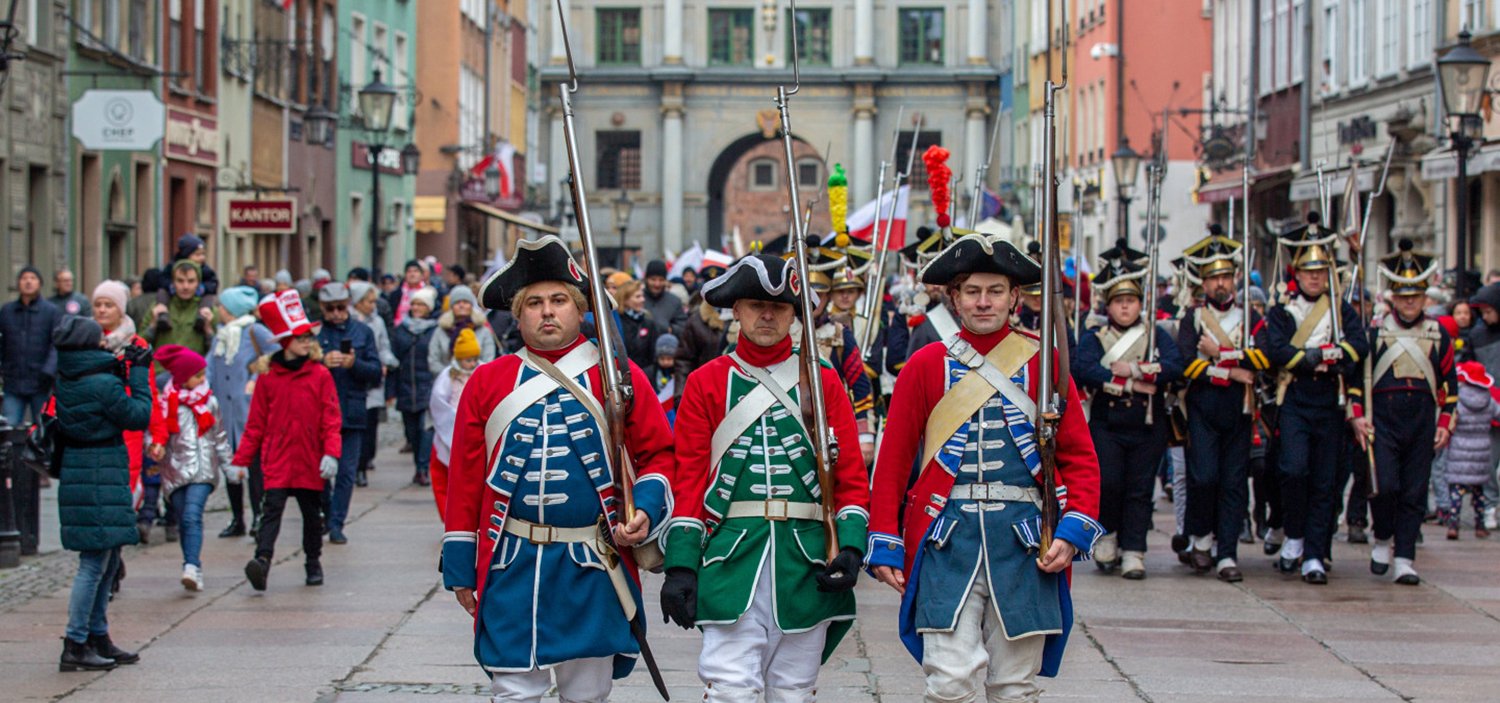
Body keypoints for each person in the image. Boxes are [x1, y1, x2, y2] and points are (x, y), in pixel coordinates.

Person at [867, 233, 1102, 702]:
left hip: (1025, 540)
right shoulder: (925, 365)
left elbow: (1080, 457)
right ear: (953, 298)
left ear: (1015, 297)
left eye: (995, 291)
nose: (983, 302)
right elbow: (893, 463)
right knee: (949, 681)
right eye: (972, 291)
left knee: (1016, 685)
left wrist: (1072, 531)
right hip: (945, 540)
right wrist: (886, 542)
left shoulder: (1045, 362)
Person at [441, 236, 674, 701]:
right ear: (519, 314)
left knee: (587, 693)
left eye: (559, 300)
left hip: (592, 564)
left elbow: (660, 455)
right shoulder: (489, 382)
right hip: (512, 561)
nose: (547, 312)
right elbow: (464, 480)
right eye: (534, 303)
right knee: (512, 690)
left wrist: (646, 507)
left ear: (580, 308)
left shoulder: (619, 377)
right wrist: (460, 565)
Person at [657, 252, 868, 703]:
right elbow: (690, 477)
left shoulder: (823, 380)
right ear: (736, 310)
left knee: (794, 691)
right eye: (755, 304)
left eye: (780, 307)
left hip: (807, 556)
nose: (768, 315)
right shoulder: (706, 382)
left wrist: (849, 545)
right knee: (730, 690)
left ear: (795, 314)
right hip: (731, 557)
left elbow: (847, 469)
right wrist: (680, 563)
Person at [1257, 213, 1368, 585]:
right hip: (1296, 400)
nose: (1315, 278)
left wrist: (1335, 354)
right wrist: (1317, 357)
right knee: (1292, 470)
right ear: (1297, 273)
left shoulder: (1341, 311)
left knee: (1325, 480)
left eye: (1320, 271)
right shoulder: (1283, 310)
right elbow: (1277, 351)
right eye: (1308, 271)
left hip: (1329, 401)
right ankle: (1293, 534)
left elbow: (1358, 347)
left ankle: (1315, 553)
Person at [1346, 241, 1456, 585]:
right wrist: (1359, 415)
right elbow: (1355, 383)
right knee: (1386, 485)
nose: (1410, 301)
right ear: (1393, 296)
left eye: (1416, 295)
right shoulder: (1375, 333)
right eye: (1403, 294)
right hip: (1384, 420)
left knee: (1414, 491)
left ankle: (1405, 557)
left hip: (1421, 420)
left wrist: (1444, 423)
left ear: (1425, 297)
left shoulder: (1439, 335)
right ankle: (1382, 538)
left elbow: (1449, 386)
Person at [1072, 251, 1184, 580]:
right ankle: (1106, 537)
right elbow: (1084, 369)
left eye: (1131, 301)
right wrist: (1132, 382)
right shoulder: (1095, 335)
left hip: (1148, 424)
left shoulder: (1156, 335)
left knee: (1140, 488)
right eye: (1119, 301)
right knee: (1109, 483)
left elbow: (1175, 367)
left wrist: (1134, 370)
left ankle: (1134, 550)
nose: (1125, 307)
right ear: (1108, 305)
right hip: (1108, 423)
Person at [53, 316, 153, 672]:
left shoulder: (71, 376)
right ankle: (75, 641)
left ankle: (97, 635)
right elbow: (139, 415)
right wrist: (139, 375)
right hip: (98, 472)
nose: (104, 344)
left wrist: (121, 367)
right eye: (99, 340)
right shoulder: (99, 384)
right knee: (94, 562)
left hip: (88, 470)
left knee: (108, 558)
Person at [1173, 232, 1270, 581]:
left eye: (1226, 276)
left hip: (1239, 410)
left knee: (1233, 483)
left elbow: (1264, 355)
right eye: (1214, 277)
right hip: (1203, 406)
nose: (1221, 283)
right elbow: (1187, 363)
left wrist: (1223, 354)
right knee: (1204, 477)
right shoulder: (1194, 318)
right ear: (1204, 281)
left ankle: (1227, 552)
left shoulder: (1250, 318)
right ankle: (1200, 540)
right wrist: (1228, 370)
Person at [232, 291, 341, 590]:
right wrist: (240, 461)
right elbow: (255, 425)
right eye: (301, 337)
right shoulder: (268, 378)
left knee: (311, 515)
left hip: (309, 458)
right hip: (278, 458)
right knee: (271, 512)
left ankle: (313, 562)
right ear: (285, 340)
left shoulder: (319, 375)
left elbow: (331, 419)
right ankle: (262, 562)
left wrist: (330, 453)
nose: (307, 342)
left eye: (309, 337)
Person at [149, 345, 233, 591]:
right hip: (174, 471)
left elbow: (219, 436)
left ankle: (191, 565)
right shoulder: (165, 404)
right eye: (197, 375)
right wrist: (154, 447)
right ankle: (192, 563)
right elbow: (153, 433)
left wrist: (230, 466)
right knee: (184, 520)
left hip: (203, 470)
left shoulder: (210, 403)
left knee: (192, 515)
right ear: (183, 377)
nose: (202, 380)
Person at [314, 283, 381, 544]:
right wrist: (321, 363)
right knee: (320, 473)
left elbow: (375, 371)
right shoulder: (314, 333)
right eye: (330, 308)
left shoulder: (363, 332)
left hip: (352, 412)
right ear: (322, 308)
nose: (336, 313)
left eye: (341, 307)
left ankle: (336, 523)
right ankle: (326, 514)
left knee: (346, 472)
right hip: (320, 413)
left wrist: (355, 364)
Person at [205, 286, 275, 538]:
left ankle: (258, 516)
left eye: (222, 307)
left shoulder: (255, 330)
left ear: (232, 310)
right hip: (223, 413)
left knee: (254, 467)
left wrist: (256, 376)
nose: (219, 311)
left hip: (248, 410)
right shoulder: (222, 336)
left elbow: (275, 354)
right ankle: (238, 519)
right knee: (230, 466)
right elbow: (209, 365)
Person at [1, 266, 61, 553]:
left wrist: (48, 372)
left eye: (33, 278)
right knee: (10, 428)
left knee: (41, 429)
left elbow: (55, 344)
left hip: (39, 379)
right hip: (14, 379)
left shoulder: (49, 311)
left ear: (39, 283)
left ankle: (39, 470)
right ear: (18, 284)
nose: (28, 282)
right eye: (24, 278)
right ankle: (11, 472)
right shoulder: (7, 311)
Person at [92, 280, 156, 521]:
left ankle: (115, 544)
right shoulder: (85, 340)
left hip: (127, 421)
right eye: (98, 305)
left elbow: (148, 391)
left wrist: (157, 434)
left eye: (108, 305)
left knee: (124, 484)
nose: (102, 310)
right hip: (95, 422)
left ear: (120, 309)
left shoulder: (136, 345)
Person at [426, 328, 480, 520]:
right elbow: (438, 402)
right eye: (468, 360)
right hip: (450, 429)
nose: (472, 363)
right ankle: (449, 518)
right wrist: (455, 418)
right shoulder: (447, 376)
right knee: (444, 479)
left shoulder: (481, 372)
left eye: (474, 359)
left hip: (474, 430)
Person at [350, 281, 399, 488]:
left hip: (373, 378)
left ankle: (363, 464)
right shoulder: (350, 321)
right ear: (358, 302)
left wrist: (390, 361)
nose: (373, 305)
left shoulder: (377, 321)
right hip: (352, 380)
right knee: (353, 428)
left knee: (370, 426)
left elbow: (383, 346)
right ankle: (353, 466)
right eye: (369, 301)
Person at [392, 287, 439, 486]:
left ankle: (422, 468)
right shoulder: (401, 329)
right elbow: (394, 357)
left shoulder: (435, 329)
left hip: (427, 385)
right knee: (412, 432)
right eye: (414, 304)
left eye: (421, 304)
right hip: (405, 385)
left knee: (425, 429)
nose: (416, 308)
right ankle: (418, 465)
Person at [145, 260, 215, 356]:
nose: (185, 286)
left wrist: (208, 330)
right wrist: (153, 325)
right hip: (161, 369)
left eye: (191, 281)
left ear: (198, 283)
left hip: (194, 369)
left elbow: (218, 353)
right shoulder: (158, 308)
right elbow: (140, 346)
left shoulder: (209, 311)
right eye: (180, 281)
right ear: (173, 282)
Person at [427, 284, 496, 375]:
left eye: (465, 302)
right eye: (457, 302)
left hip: (477, 380)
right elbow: (433, 360)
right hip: (447, 381)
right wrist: (451, 375)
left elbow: (488, 359)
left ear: (471, 305)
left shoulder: (483, 330)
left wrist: (470, 376)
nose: (461, 305)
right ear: (451, 306)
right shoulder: (441, 330)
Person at [615, 278, 665, 372]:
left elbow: (653, 355)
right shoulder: (616, 322)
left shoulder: (648, 323)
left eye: (642, 296)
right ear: (625, 300)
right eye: (637, 297)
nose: (642, 300)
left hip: (644, 375)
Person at [642, 259, 688, 335]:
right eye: (653, 279)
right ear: (646, 279)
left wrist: (671, 330)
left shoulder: (674, 301)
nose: (657, 284)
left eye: (661, 280)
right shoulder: (637, 299)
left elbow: (683, 327)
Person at [389, 259, 429, 325]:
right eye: (409, 271)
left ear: (421, 275)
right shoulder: (397, 294)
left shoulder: (428, 292)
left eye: (416, 271)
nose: (412, 274)